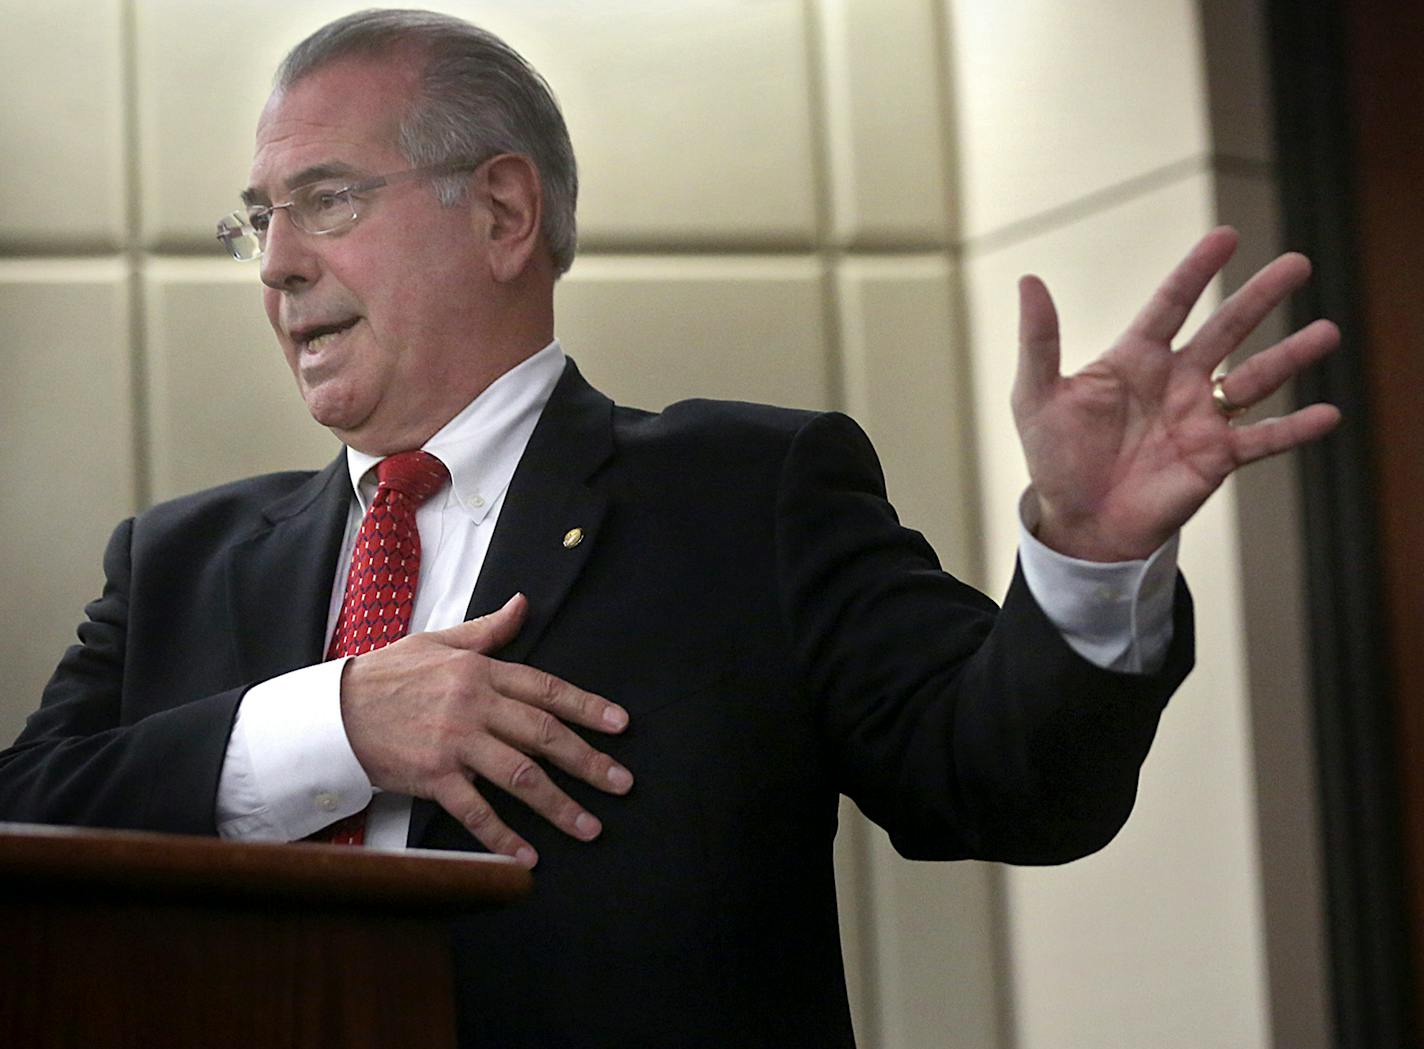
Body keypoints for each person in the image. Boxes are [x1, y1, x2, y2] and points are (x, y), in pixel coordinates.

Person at [0, 9, 1340, 1047]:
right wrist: (337, 722)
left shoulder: (748, 492)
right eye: (259, 217)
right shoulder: (172, 560)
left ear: (505, 212)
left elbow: (1009, 783)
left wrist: (1086, 557)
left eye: (327, 200)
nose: (279, 260)